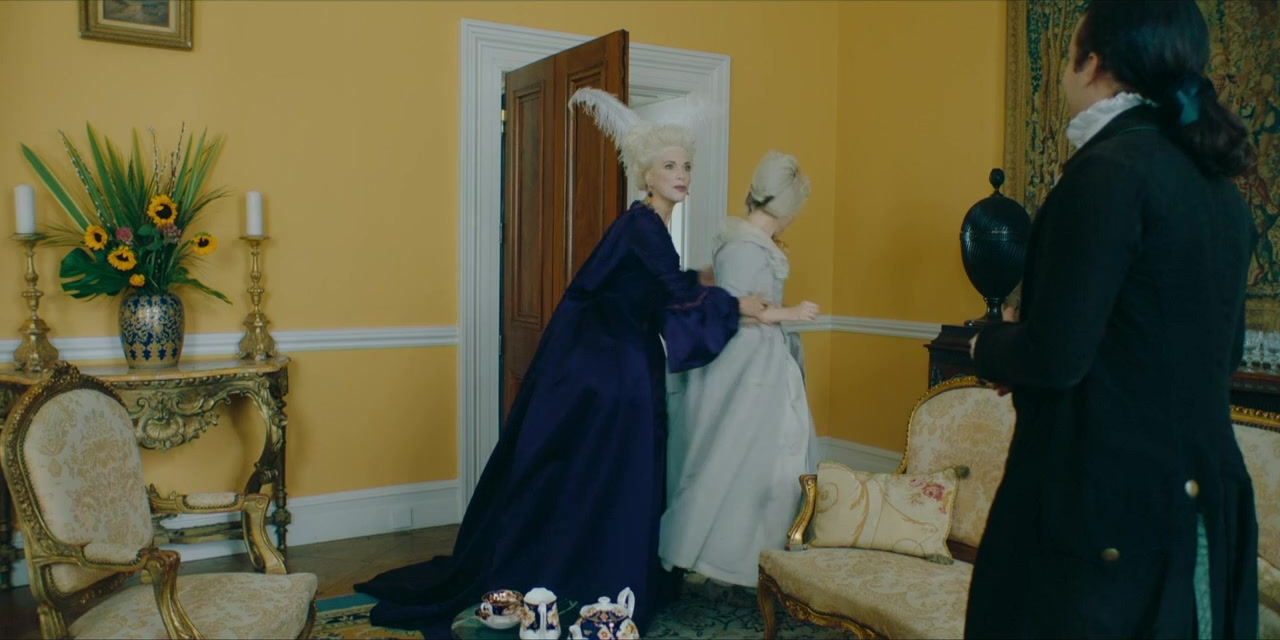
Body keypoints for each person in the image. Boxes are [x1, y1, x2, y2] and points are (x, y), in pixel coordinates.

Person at [352, 88, 768, 639]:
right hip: (609, 367)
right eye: (669, 166)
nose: (682, 175)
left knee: (592, 470)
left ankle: (588, 568)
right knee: (615, 469)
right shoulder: (643, 225)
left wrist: (703, 283)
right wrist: (740, 306)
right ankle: (597, 579)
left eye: (686, 166)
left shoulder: (643, 224)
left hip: (606, 360)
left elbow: (655, 285)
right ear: (646, 173)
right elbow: (670, 291)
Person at [964, 1, 1259, 637]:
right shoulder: (1220, 191)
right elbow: (1214, 351)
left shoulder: (1106, 173)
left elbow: (1056, 356)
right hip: (1200, 505)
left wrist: (986, 346)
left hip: (1107, 515)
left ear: (1091, 64)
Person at [658, 150, 822, 587]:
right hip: (750, 365)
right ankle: (733, 555)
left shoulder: (743, 240)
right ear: (786, 208)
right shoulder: (747, 247)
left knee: (750, 458)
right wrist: (792, 313)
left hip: (757, 359)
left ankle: (748, 553)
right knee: (743, 457)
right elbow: (744, 310)